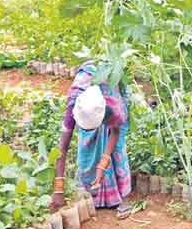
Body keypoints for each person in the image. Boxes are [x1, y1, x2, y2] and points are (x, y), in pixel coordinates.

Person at [50, 62, 133, 217]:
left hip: (109, 82)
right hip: (91, 98)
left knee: (118, 148)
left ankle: (124, 194)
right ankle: (89, 194)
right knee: (87, 146)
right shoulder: (75, 104)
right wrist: (58, 189)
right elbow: (62, 147)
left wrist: (103, 163)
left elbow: (115, 131)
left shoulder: (115, 106)